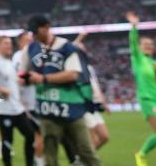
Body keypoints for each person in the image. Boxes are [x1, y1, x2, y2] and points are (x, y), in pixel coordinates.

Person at [21, 15, 101, 166]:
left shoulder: (67, 47)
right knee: (50, 156)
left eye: (36, 31)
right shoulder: (30, 48)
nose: (34, 36)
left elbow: (73, 74)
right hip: (47, 110)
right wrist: (25, 79)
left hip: (72, 108)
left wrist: (43, 79)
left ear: (46, 27)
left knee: (86, 152)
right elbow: (22, 74)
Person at [0, 35, 36, 166]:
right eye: (6, 43)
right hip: (3, 110)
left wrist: (34, 77)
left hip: (17, 108)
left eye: (10, 43)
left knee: (31, 135)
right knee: (7, 140)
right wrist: (1, 91)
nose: (9, 45)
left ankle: (30, 163)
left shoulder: (9, 62)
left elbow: (15, 81)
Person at [127, 12, 156, 166]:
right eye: (145, 45)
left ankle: (141, 154)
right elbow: (133, 43)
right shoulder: (138, 59)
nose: (148, 47)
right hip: (148, 100)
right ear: (140, 48)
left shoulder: (154, 64)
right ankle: (141, 154)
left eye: (150, 45)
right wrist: (134, 26)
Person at [71, 33, 108, 151]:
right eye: (81, 48)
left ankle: (83, 159)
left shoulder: (89, 68)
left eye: (84, 48)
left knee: (104, 137)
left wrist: (104, 102)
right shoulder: (74, 67)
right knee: (90, 138)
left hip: (94, 106)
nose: (83, 49)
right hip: (83, 105)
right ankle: (88, 161)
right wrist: (80, 38)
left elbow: (95, 86)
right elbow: (71, 47)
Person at [14, 31, 45, 162]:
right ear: (20, 42)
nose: (30, 42)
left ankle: (36, 159)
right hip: (27, 104)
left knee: (36, 135)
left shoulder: (32, 54)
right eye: (27, 40)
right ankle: (38, 160)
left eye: (31, 40)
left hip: (35, 101)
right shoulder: (19, 56)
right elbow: (19, 79)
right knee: (39, 134)